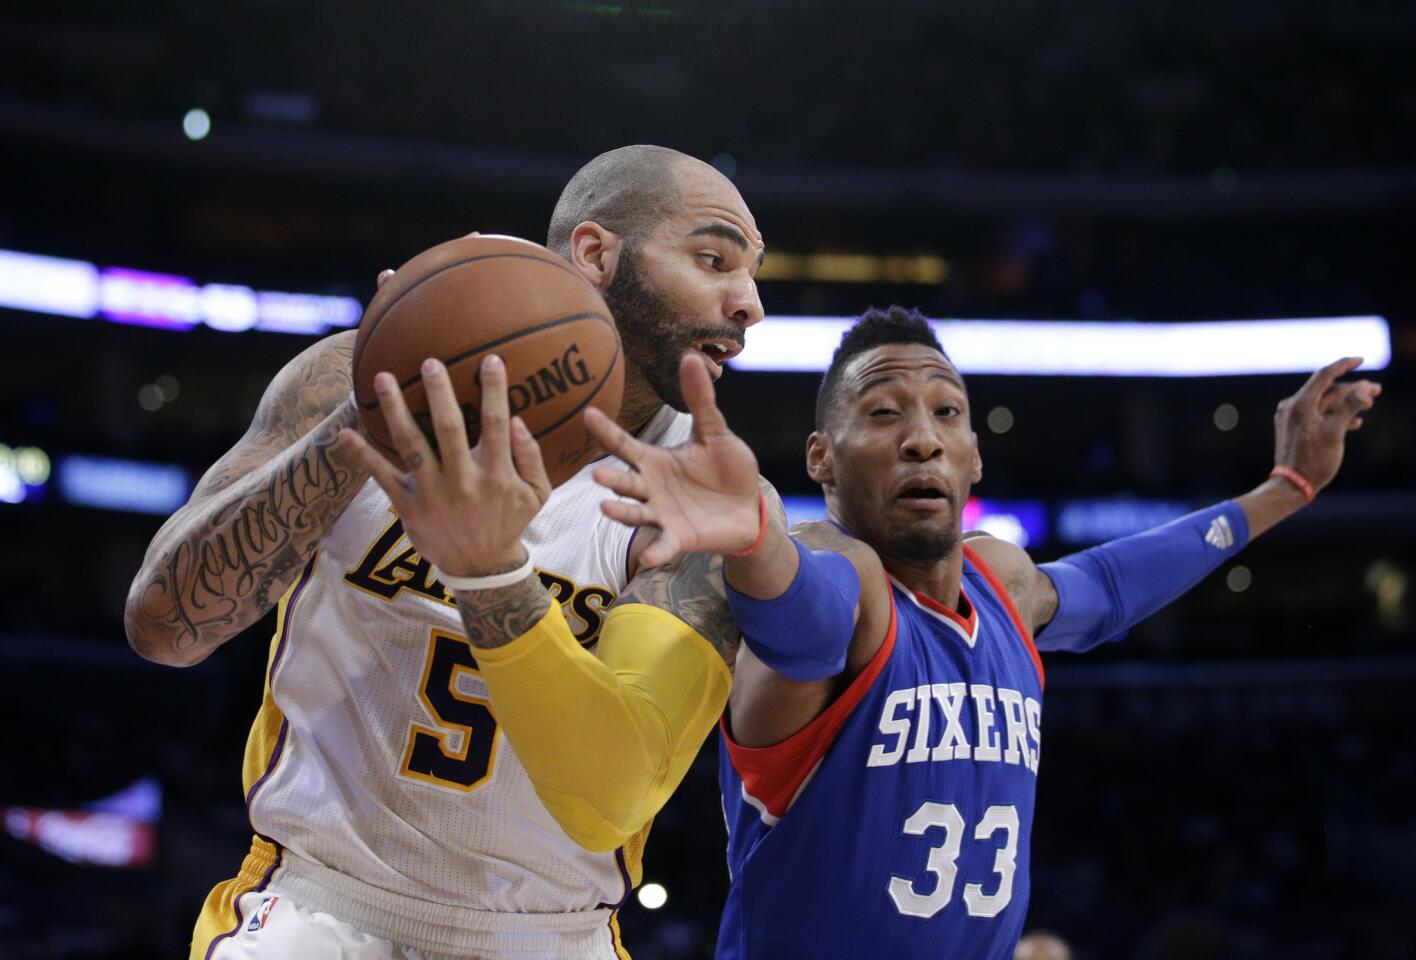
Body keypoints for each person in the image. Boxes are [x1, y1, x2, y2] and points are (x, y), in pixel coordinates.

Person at [124, 144, 767, 959]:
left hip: (550, 937)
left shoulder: (705, 498)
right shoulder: (348, 379)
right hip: (320, 910)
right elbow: (166, 630)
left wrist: (490, 572)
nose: (748, 304)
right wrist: (370, 414)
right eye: (714, 259)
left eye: (752, 275)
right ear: (597, 254)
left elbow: (611, 793)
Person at [582, 305, 1380, 959]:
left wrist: (1288, 487)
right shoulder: (842, 574)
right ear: (821, 458)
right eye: (884, 412)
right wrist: (756, 543)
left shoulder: (1002, 581)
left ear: (973, 457)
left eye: (946, 413)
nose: (921, 436)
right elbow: (803, 623)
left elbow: (1108, 586)